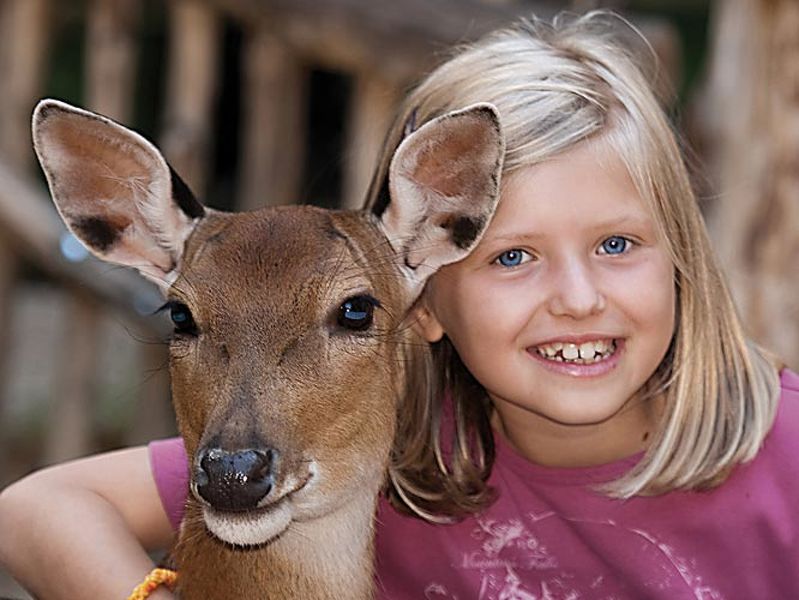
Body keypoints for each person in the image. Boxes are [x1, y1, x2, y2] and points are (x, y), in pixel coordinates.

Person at [1, 10, 797, 599]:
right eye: (513, 258)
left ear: (682, 264)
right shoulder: (384, 454)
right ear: (423, 301)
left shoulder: (782, 460)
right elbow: (36, 508)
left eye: (616, 246)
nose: (577, 298)